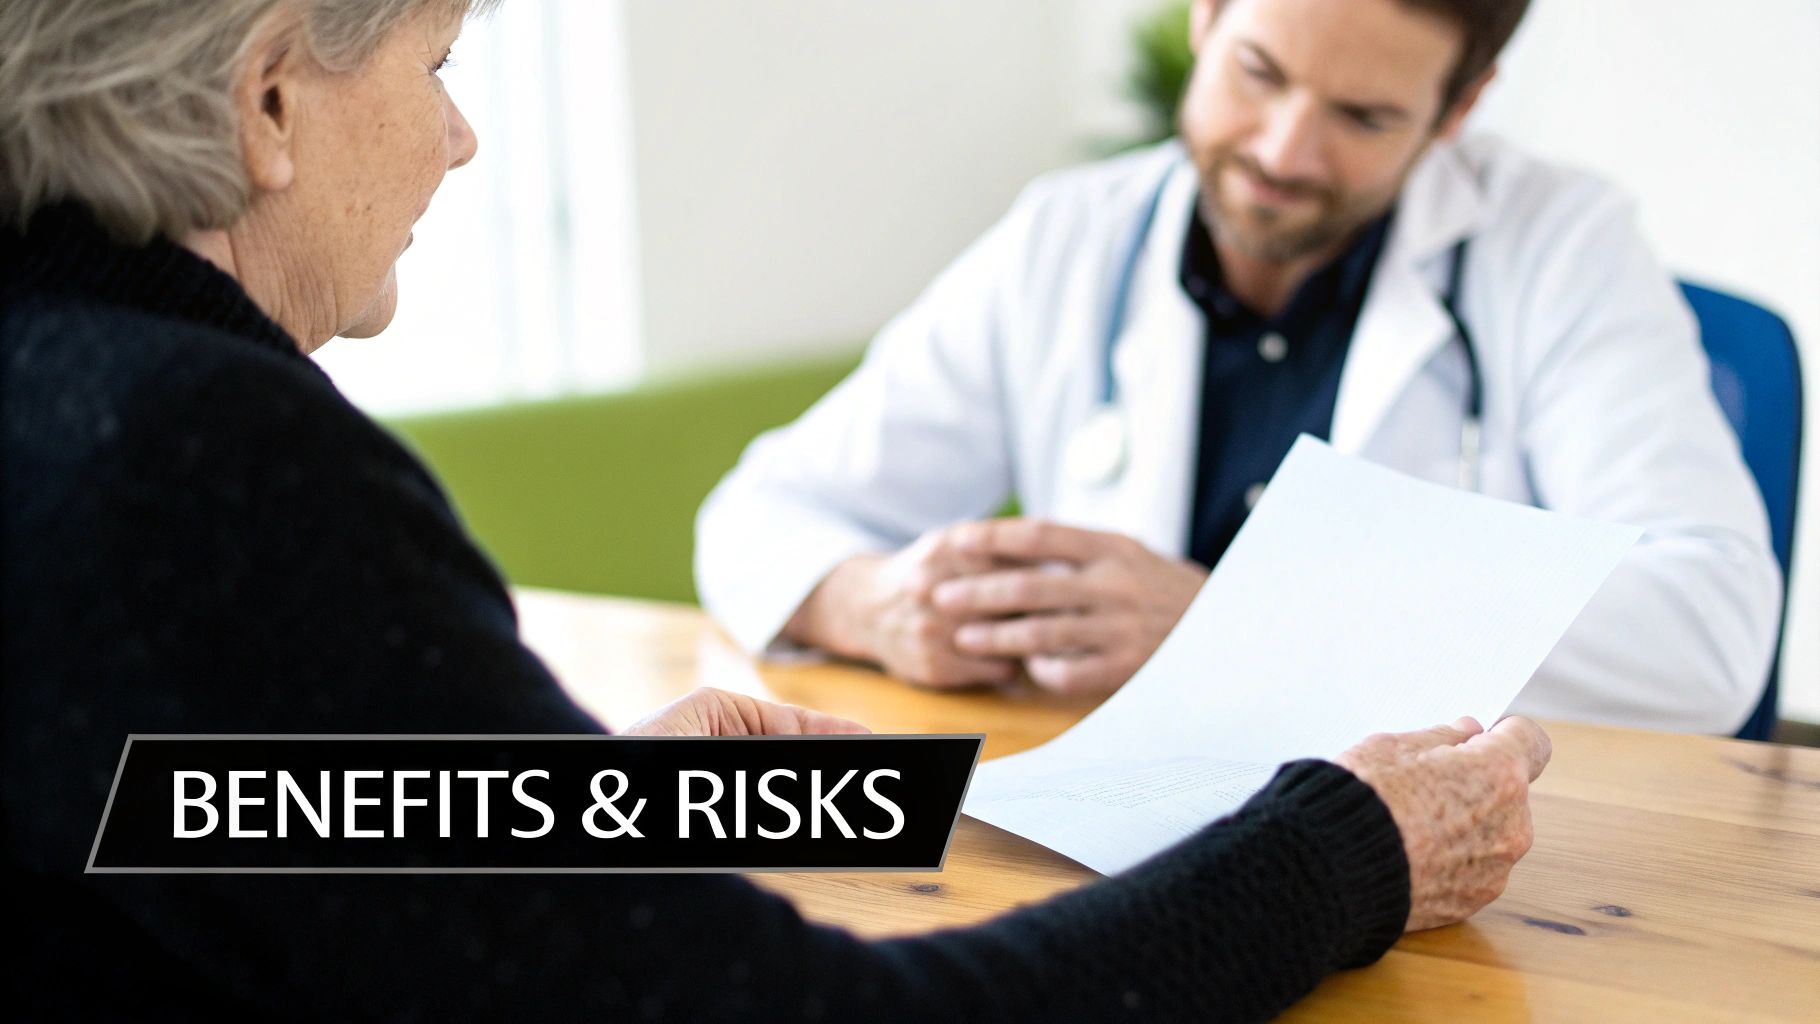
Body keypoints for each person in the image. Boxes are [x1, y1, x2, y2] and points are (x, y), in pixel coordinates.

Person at [2, 1, 1549, 1020]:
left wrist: (632, 802)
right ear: (270, 98)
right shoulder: (212, 459)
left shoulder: (61, 386)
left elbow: (179, 817)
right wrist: (1345, 853)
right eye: (441, 67)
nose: (459, 137)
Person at [694, 0, 1783, 736]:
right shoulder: (1068, 239)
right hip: (1122, 854)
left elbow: (1704, 633)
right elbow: (757, 514)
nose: (1281, 153)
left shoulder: (1553, 246)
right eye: (1256, 72)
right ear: (1205, 15)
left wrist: (1237, 621)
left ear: (1457, 108)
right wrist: (869, 600)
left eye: (1361, 116)